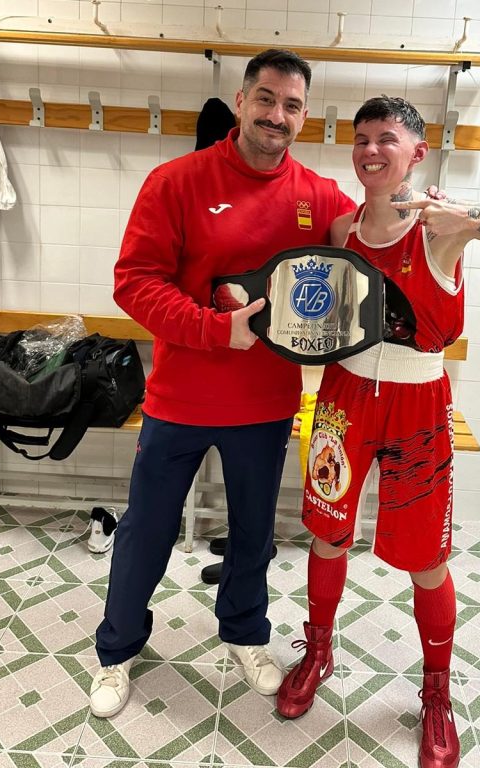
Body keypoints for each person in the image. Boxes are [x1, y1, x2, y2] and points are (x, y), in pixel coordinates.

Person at [276, 96, 480, 768]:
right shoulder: (340, 230)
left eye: (387, 139)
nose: (370, 150)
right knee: (328, 534)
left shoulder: (441, 228)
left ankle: (437, 695)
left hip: (419, 404)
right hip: (343, 398)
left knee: (426, 559)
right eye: (361, 139)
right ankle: (320, 651)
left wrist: (478, 218)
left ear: (417, 152)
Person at [89, 49, 356, 718]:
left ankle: (244, 633)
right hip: (178, 402)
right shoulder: (175, 181)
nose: (277, 115)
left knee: (254, 536)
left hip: (266, 407)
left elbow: (368, 244)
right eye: (266, 99)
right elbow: (134, 282)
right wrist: (216, 328)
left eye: (292, 105)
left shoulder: (317, 196)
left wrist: (415, 209)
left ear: (305, 116)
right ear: (241, 102)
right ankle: (117, 649)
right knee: (145, 531)